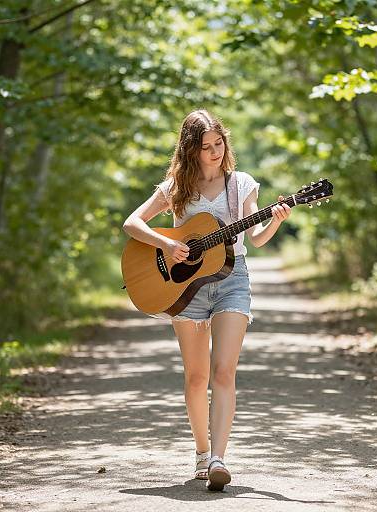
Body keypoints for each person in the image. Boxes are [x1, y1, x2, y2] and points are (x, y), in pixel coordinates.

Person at [122, 109, 291, 491]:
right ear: (190, 150)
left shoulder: (242, 184)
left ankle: (219, 457)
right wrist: (168, 243)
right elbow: (132, 223)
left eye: (219, 144)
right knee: (197, 377)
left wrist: (276, 219)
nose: (215, 152)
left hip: (234, 281)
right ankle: (201, 453)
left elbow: (258, 238)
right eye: (206, 147)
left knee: (223, 372)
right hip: (186, 290)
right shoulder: (176, 189)